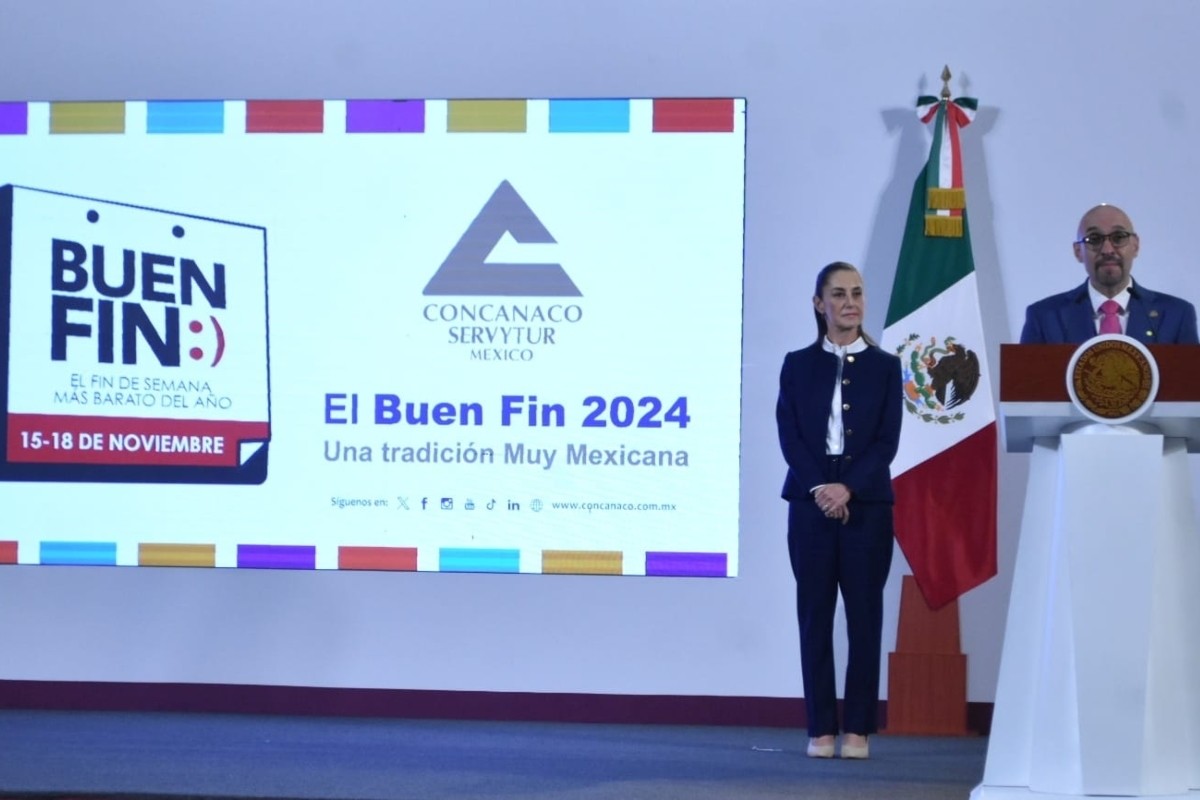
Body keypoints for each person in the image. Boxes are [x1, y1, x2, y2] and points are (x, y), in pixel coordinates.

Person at [775, 261, 902, 760]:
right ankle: (820, 728)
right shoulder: (796, 363)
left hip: (867, 503)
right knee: (814, 617)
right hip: (809, 502)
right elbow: (791, 436)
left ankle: (859, 731)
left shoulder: (886, 367)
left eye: (857, 293)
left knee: (865, 617)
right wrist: (821, 488)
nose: (850, 302)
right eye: (838, 294)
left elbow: (886, 441)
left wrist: (847, 488)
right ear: (818, 304)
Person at [1020, 204, 1199, 344]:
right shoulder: (1044, 317)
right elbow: (1026, 389)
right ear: (1078, 251)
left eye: (1118, 237)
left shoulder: (1177, 314)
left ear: (1135, 245)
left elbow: (1191, 386)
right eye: (1094, 239)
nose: (1107, 249)